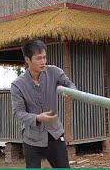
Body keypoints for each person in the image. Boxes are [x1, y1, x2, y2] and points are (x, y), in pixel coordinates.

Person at [11, 40, 76, 168]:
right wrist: (37, 118)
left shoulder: (54, 72)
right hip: (32, 138)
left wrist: (70, 91)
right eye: (38, 58)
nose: (43, 61)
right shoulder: (17, 85)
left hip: (55, 134)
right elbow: (18, 112)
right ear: (27, 60)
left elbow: (69, 84)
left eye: (44, 57)